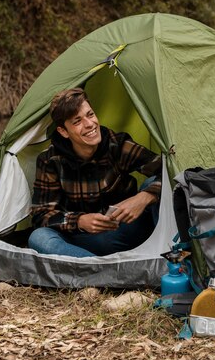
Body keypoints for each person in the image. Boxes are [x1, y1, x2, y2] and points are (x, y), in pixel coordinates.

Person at [29, 88, 161, 257]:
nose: (90, 124)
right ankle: (99, 269)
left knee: (153, 185)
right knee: (38, 238)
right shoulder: (50, 161)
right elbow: (41, 215)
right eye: (77, 121)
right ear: (63, 131)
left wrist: (143, 198)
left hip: (127, 231)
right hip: (83, 241)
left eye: (90, 115)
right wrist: (79, 221)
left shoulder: (118, 145)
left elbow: (168, 170)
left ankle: (166, 256)